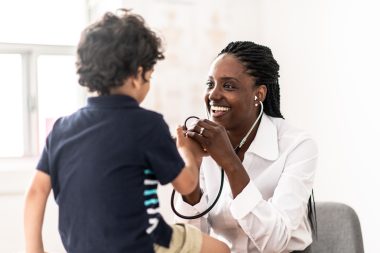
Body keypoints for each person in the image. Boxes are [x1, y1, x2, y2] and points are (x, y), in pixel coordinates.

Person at [23, 9, 230, 253]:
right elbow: (187, 185)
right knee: (221, 249)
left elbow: (36, 192)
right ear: (137, 75)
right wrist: (189, 153)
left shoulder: (61, 129)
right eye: (150, 76)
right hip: (143, 244)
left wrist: (34, 250)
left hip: (80, 247)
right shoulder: (148, 124)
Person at [175, 41, 318, 253]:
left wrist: (230, 162)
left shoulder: (298, 145)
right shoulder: (204, 144)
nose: (213, 95)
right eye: (210, 84)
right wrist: (192, 171)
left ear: (258, 94)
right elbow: (194, 241)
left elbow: (275, 243)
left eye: (229, 85)